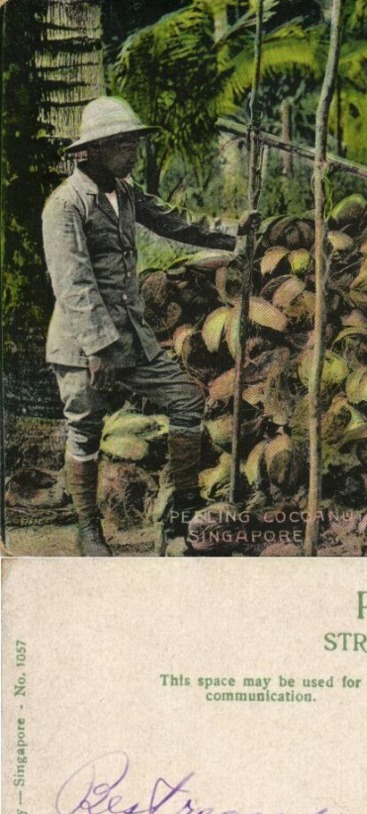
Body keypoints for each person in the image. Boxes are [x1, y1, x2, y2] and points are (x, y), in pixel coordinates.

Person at [42, 96, 251, 555]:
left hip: (132, 337)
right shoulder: (65, 205)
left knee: (185, 399)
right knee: (85, 428)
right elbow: (73, 283)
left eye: (134, 142)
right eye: (124, 144)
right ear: (92, 151)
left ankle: (182, 510)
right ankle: (88, 528)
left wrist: (234, 233)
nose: (134, 151)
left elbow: (177, 222)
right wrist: (98, 350)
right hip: (83, 343)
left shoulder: (126, 192)